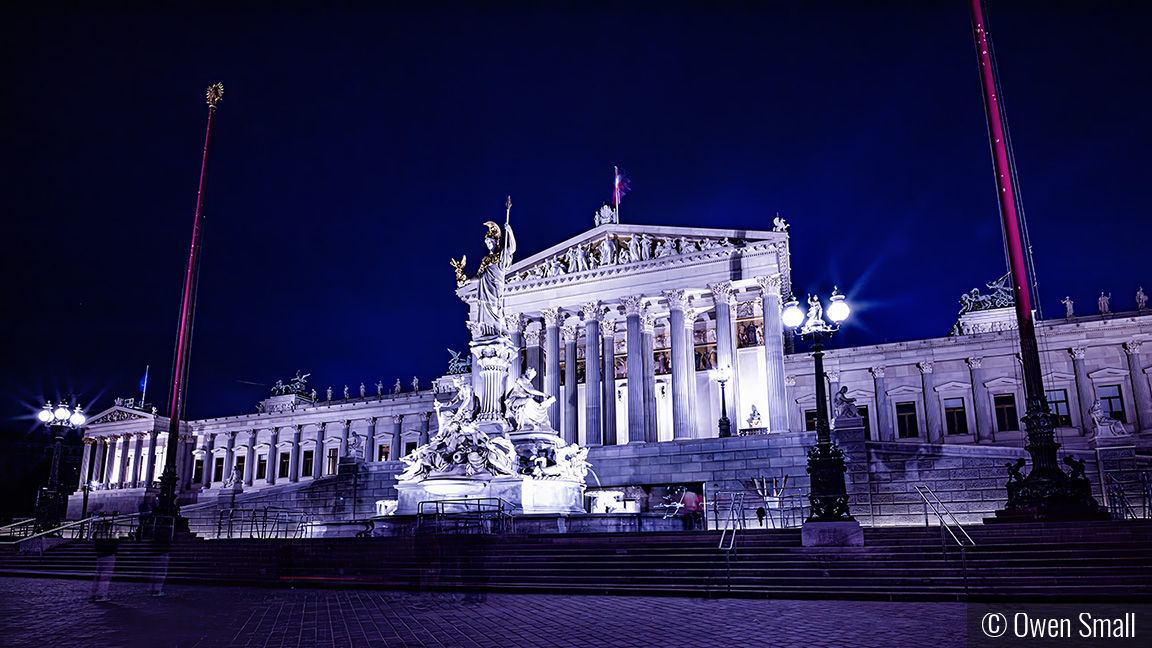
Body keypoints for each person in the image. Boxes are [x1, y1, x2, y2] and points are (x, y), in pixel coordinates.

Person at [476, 215, 517, 336]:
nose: (489, 244)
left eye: (491, 241)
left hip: (496, 287)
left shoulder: (501, 254)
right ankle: (490, 332)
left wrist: (510, 232)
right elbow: (479, 276)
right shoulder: (485, 259)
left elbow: (512, 249)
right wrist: (466, 280)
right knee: (487, 311)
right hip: (485, 290)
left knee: (496, 309)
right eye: (487, 242)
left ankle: (499, 330)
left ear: (496, 242)